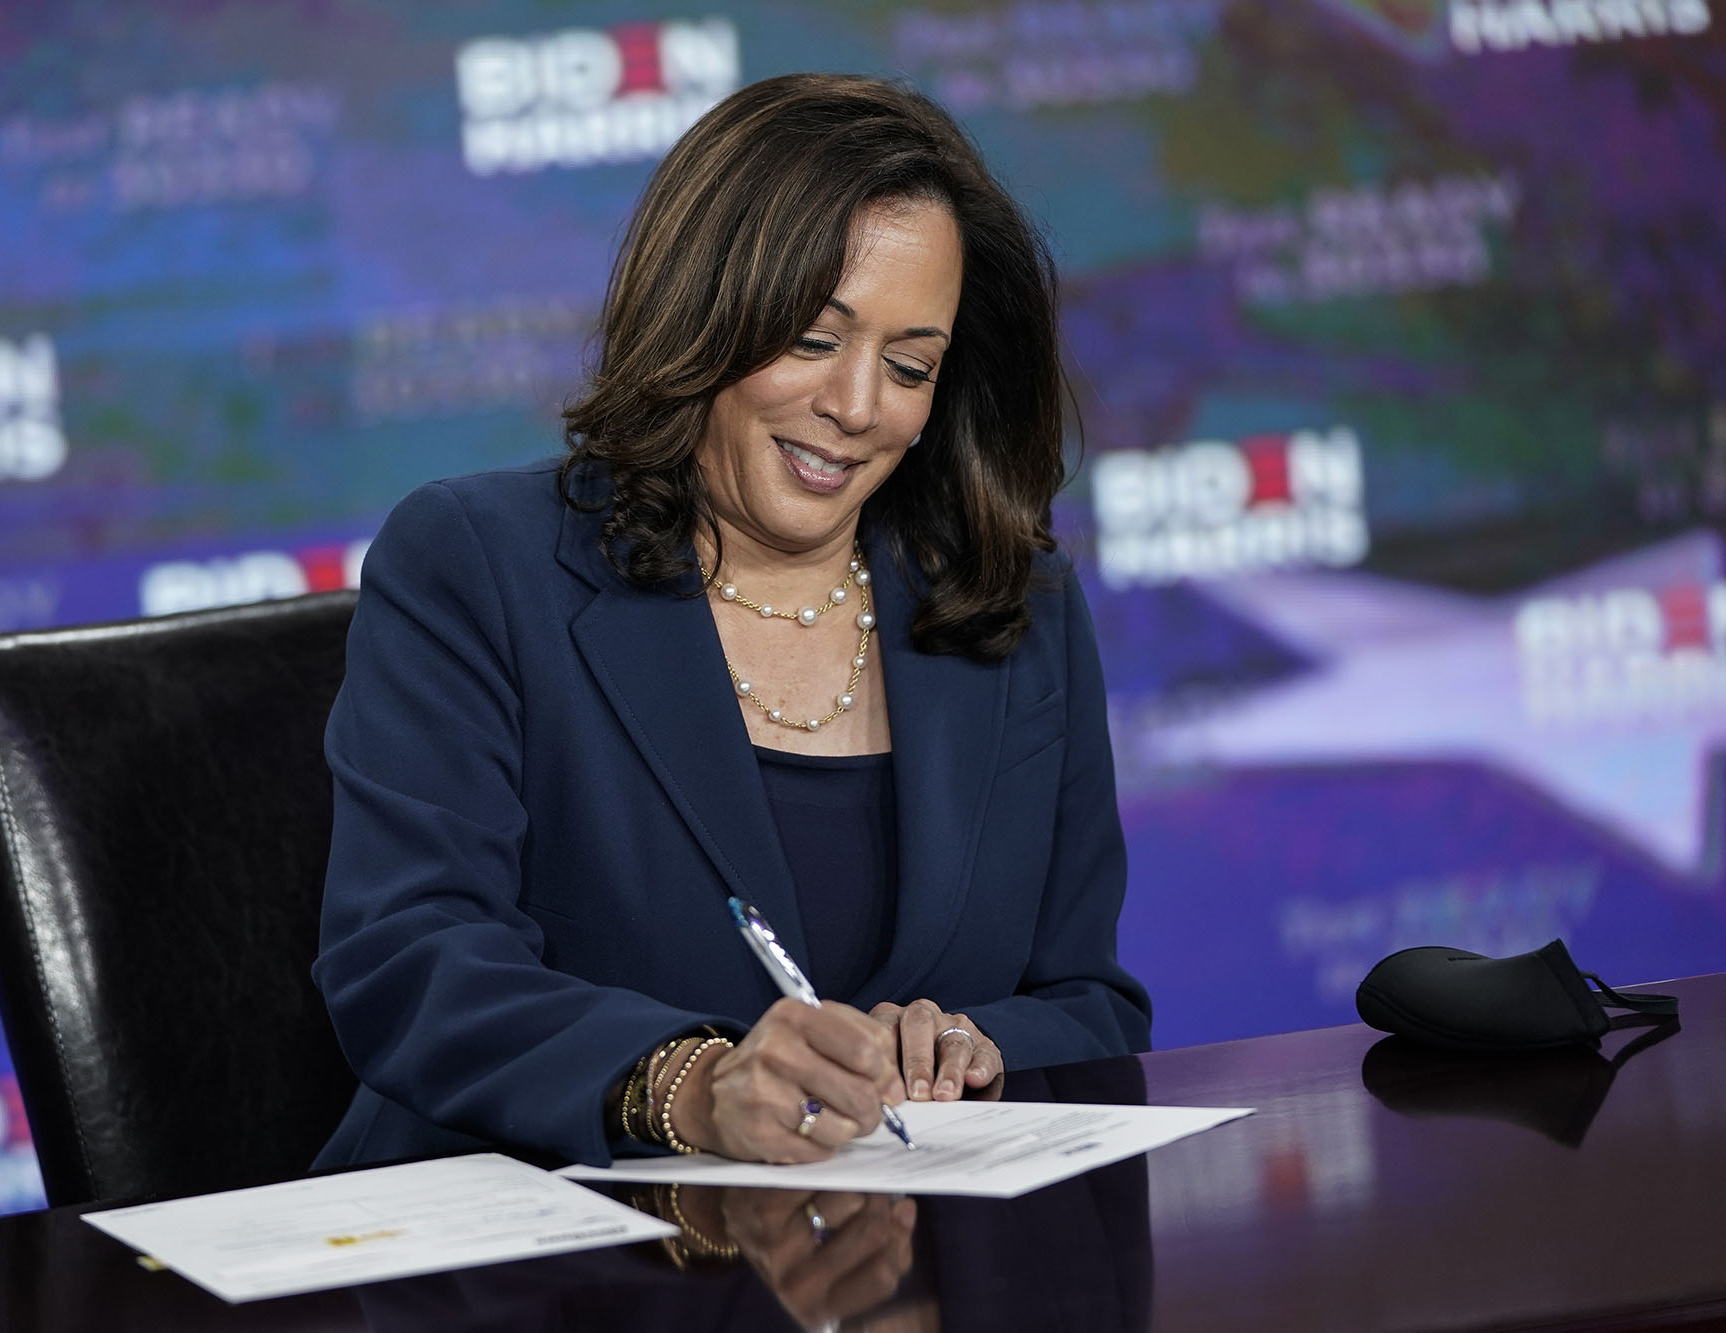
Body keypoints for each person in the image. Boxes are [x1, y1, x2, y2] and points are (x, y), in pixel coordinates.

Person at [312, 72, 1150, 1173]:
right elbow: (409, 960)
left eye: (908, 366)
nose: (856, 407)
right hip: (549, 1266)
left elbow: (1088, 1001)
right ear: (702, 314)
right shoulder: (476, 564)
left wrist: (969, 1049)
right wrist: (688, 1084)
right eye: (811, 339)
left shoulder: (1012, 604)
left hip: (908, 1258)